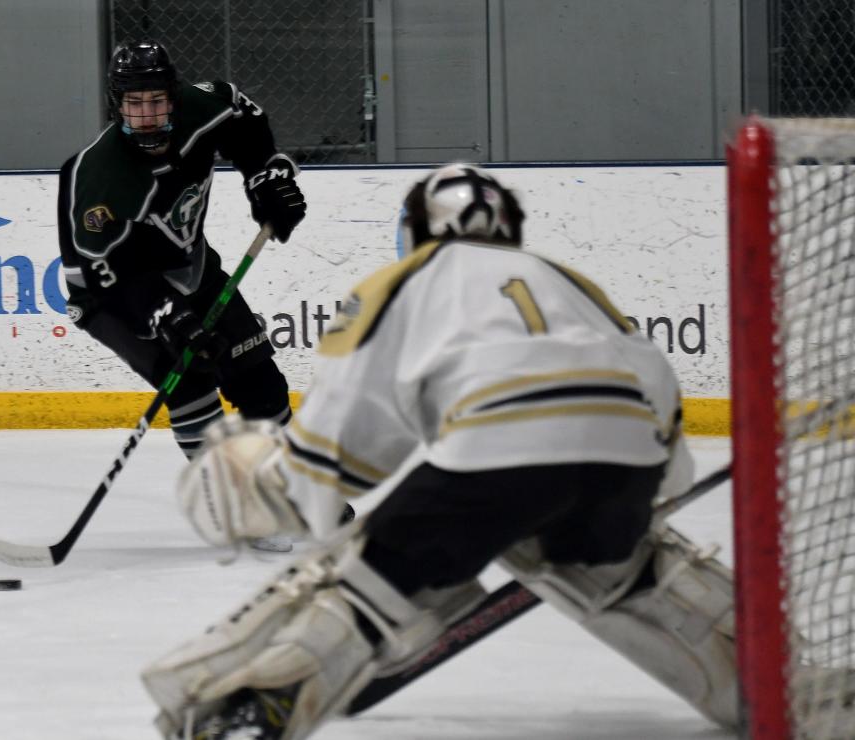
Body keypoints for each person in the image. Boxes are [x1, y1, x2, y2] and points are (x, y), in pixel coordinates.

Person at [140, 164, 738, 738]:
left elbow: (351, 430)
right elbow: (653, 377)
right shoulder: (572, 282)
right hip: (626, 461)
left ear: (417, 231)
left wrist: (287, 488)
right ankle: (760, 678)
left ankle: (251, 713)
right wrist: (652, 488)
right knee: (626, 567)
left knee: (363, 580)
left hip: (495, 456)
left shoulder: (399, 282)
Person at [57, 40, 307, 551]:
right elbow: (99, 269)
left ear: (172, 96)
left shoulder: (201, 106)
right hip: (111, 292)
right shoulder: (100, 175)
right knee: (191, 381)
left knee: (258, 376)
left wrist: (266, 175)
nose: (146, 116)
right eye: (134, 104)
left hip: (189, 266)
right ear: (117, 104)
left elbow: (245, 120)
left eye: (155, 101)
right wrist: (162, 314)